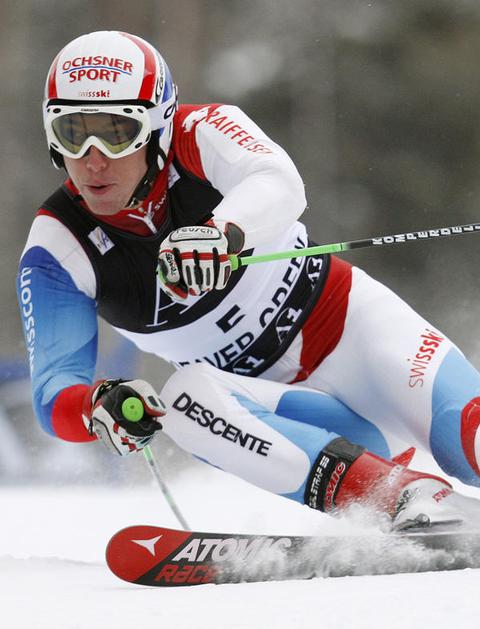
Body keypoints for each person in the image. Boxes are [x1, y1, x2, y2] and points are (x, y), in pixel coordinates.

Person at [17, 30, 480, 531]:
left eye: (116, 133)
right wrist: (98, 407)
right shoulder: (58, 248)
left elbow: (279, 182)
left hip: (355, 334)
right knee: (183, 401)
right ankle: (400, 499)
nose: (93, 159)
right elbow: (54, 395)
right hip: (283, 416)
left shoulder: (201, 133)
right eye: (72, 133)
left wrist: (222, 233)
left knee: (469, 440)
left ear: (158, 128)